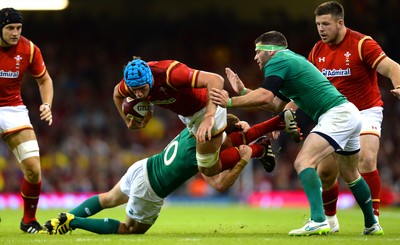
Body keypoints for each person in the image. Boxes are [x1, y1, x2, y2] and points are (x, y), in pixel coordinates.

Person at [210, 30, 383, 236]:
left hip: (336, 115)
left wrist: (229, 102)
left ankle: (318, 220)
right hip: (349, 114)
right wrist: (243, 91)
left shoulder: (278, 60)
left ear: (271, 51)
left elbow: (265, 97)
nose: (255, 57)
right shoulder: (290, 61)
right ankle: (372, 224)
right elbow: (275, 104)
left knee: (303, 162)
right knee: (351, 174)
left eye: (258, 51)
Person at [43, 113, 297, 235]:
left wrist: (268, 124)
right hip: (151, 188)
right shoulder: (201, 156)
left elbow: (231, 132)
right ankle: (73, 221)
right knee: (131, 230)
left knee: (108, 198)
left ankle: (58, 220)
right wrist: (246, 157)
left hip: (143, 167)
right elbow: (225, 176)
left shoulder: (196, 130)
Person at [113, 57, 299, 175]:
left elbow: (215, 80)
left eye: (141, 89)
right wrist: (126, 120)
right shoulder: (131, 82)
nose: (137, 95)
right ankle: (274, 127)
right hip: (188, 116)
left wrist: (210, 116)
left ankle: (258, 148)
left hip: (207, 106)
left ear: (150, 79)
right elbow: (117, 93)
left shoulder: (171, 74)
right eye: (134, 91)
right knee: (225, 146)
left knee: (209, 168)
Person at [308, 1, 400, 233]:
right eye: (318, 24)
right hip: (334, 114)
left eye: (326, 23)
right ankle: (330, 222)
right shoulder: (317, 50)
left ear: (340, 23)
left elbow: (392, 67)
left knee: (367, 160)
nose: (321, 28)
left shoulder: (362, 43)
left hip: (365, 110)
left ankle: (373, 220)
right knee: (326, 172)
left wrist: (399, 85)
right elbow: (307, 87)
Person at [0, 8, 54, 233]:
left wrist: (47, 104)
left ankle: (28, 220)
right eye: (10, 28)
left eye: (18, 28)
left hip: (12, 108)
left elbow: (45, 80)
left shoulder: (29, 49)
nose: (15, 33)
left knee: (33, 168)